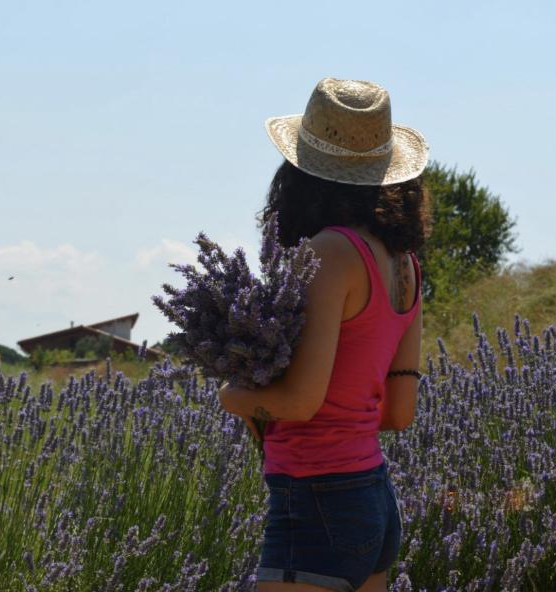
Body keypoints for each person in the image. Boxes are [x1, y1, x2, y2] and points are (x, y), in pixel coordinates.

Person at [218, 77, 433, 592]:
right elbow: (399, 413)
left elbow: (301, 401)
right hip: (374, 504)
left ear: (302, 172)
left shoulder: (328, 254)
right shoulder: (404, 266)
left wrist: (233, 394)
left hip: (317, 502)